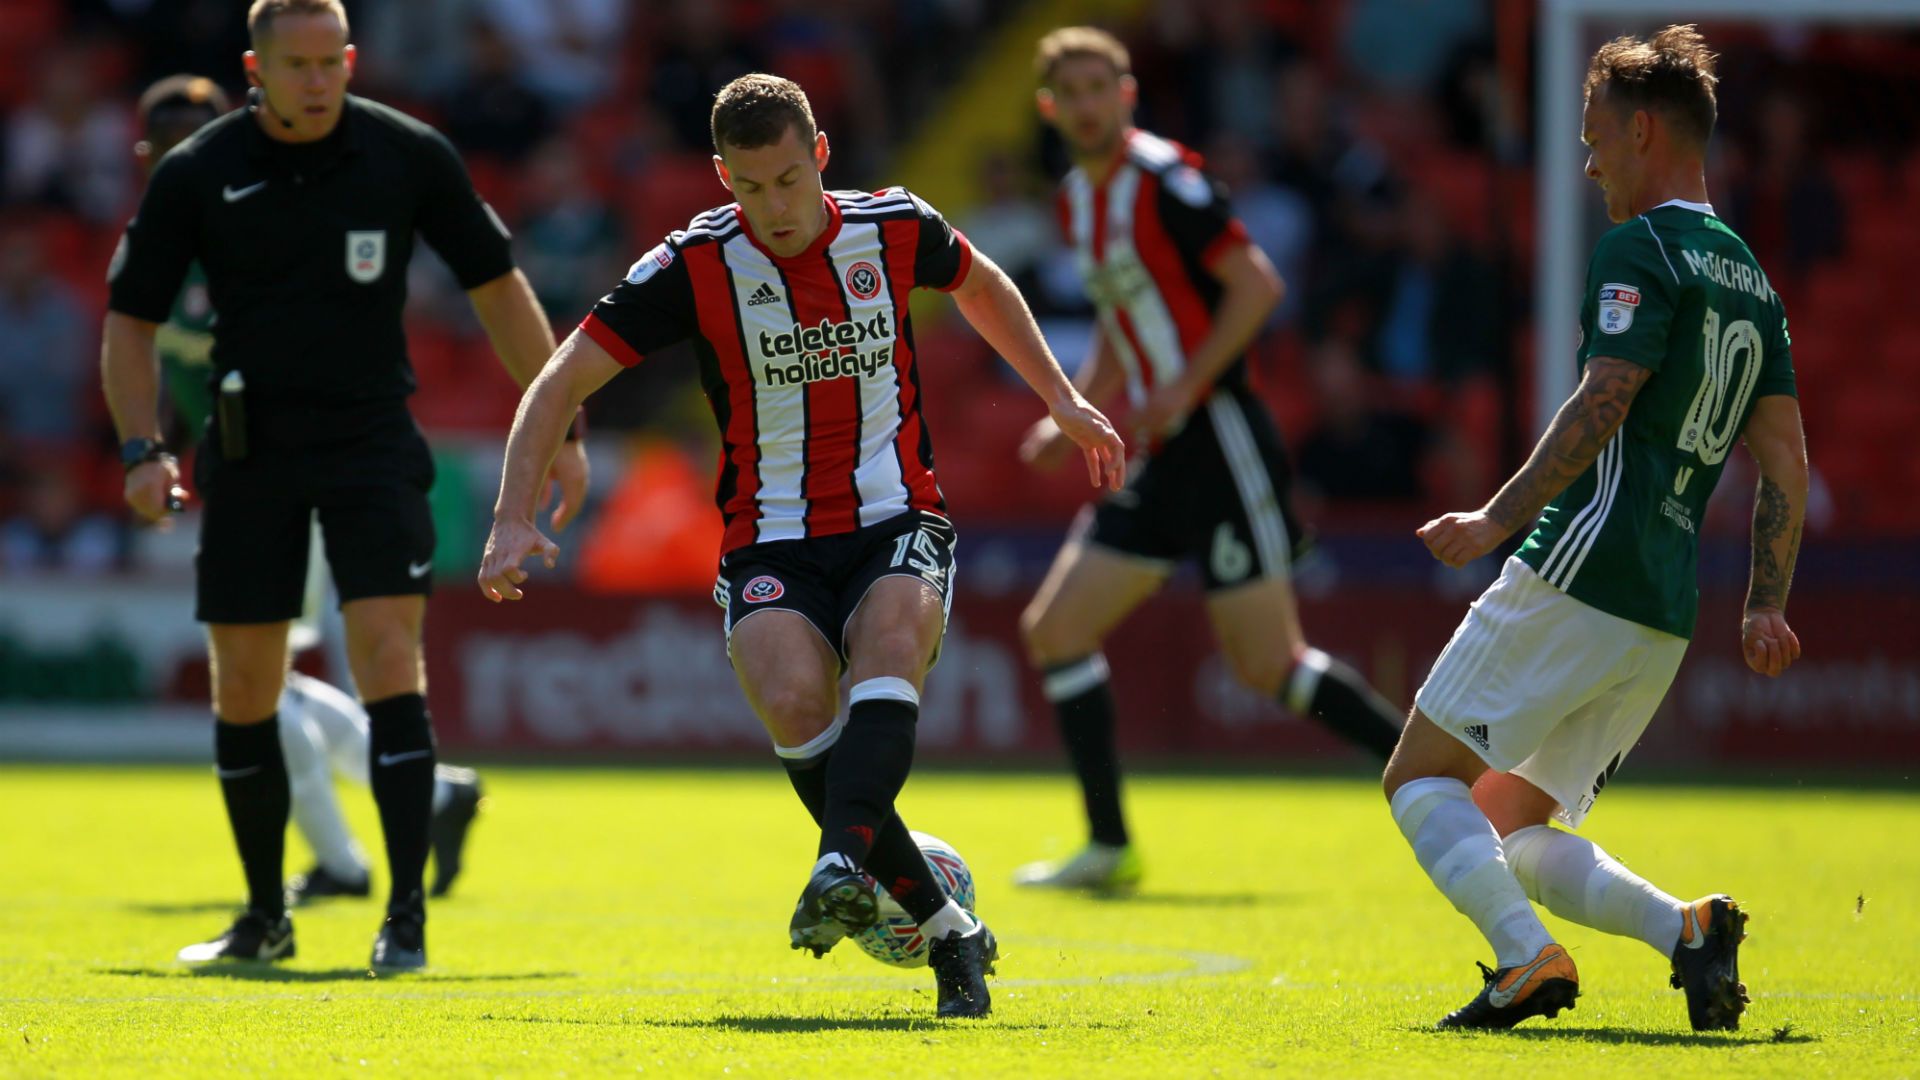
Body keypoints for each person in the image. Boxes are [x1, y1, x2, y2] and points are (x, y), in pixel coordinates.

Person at [477, 73, 1125, 1018]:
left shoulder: (894, 227)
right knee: (793, 704)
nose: (772, 208)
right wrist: (509, 513)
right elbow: (558, 380)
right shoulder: (692, 265)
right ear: (721, 176)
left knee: (891, 647)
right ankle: (951, 933)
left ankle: (837, 861)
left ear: (819, 155)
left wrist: (1060, 396)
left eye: (786, 180)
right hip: (768, 537)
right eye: (748, 187)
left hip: (896, 514)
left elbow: (982, 283)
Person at [101, 0, 585, 970]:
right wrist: (143, 450)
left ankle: (404, 917)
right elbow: (130, 322)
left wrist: (563, 425)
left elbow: (497, 284)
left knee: (385, 655)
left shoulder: (408, 155)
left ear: (353, 59)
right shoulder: (201, 171)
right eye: (300, 66)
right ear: (257, 68)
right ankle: (261, 918)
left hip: (370, 443)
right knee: (244, 682)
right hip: (247, 452)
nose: (320, 82)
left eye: (334, 63)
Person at [1380, 25, 1805, 1031]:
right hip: (1662, 607)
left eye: (1595, 136)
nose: (1588, 158)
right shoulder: (1750, 275)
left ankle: (1527, 963)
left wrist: (1496, 516)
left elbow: (1604, 396)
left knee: (1417, 780)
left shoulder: (1642, 245)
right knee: (1510, 826)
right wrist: (1767, 605)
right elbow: (1784, 457)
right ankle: (1685, 932)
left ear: (1645, 130)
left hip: (1585, 563)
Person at [1011, 27, 1405, 892]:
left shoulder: (1165, 180)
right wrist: (1074, 408)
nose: (1083, 104)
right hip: (1159, 448)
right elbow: (1124, 321)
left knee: (1269, 665)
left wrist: (1185, 387)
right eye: (1067, 91)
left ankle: (1442, 781)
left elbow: (1258, 285)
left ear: (1125, 94)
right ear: (1050, 106)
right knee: (1056, 629)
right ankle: (1110, 845)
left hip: (1221, 436)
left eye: (1097, 86)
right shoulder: (1080, 198)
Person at [131, 73, 487, 910]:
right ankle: (423, 803)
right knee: (269, 682)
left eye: (199, 133)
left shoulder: (241, 232)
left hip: (319, 469)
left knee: (264, 682)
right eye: (171, 139)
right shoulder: (169, 236)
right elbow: (199, 378)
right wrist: (165, 453)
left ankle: (354, 856)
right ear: (148, 154)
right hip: (246, 472)